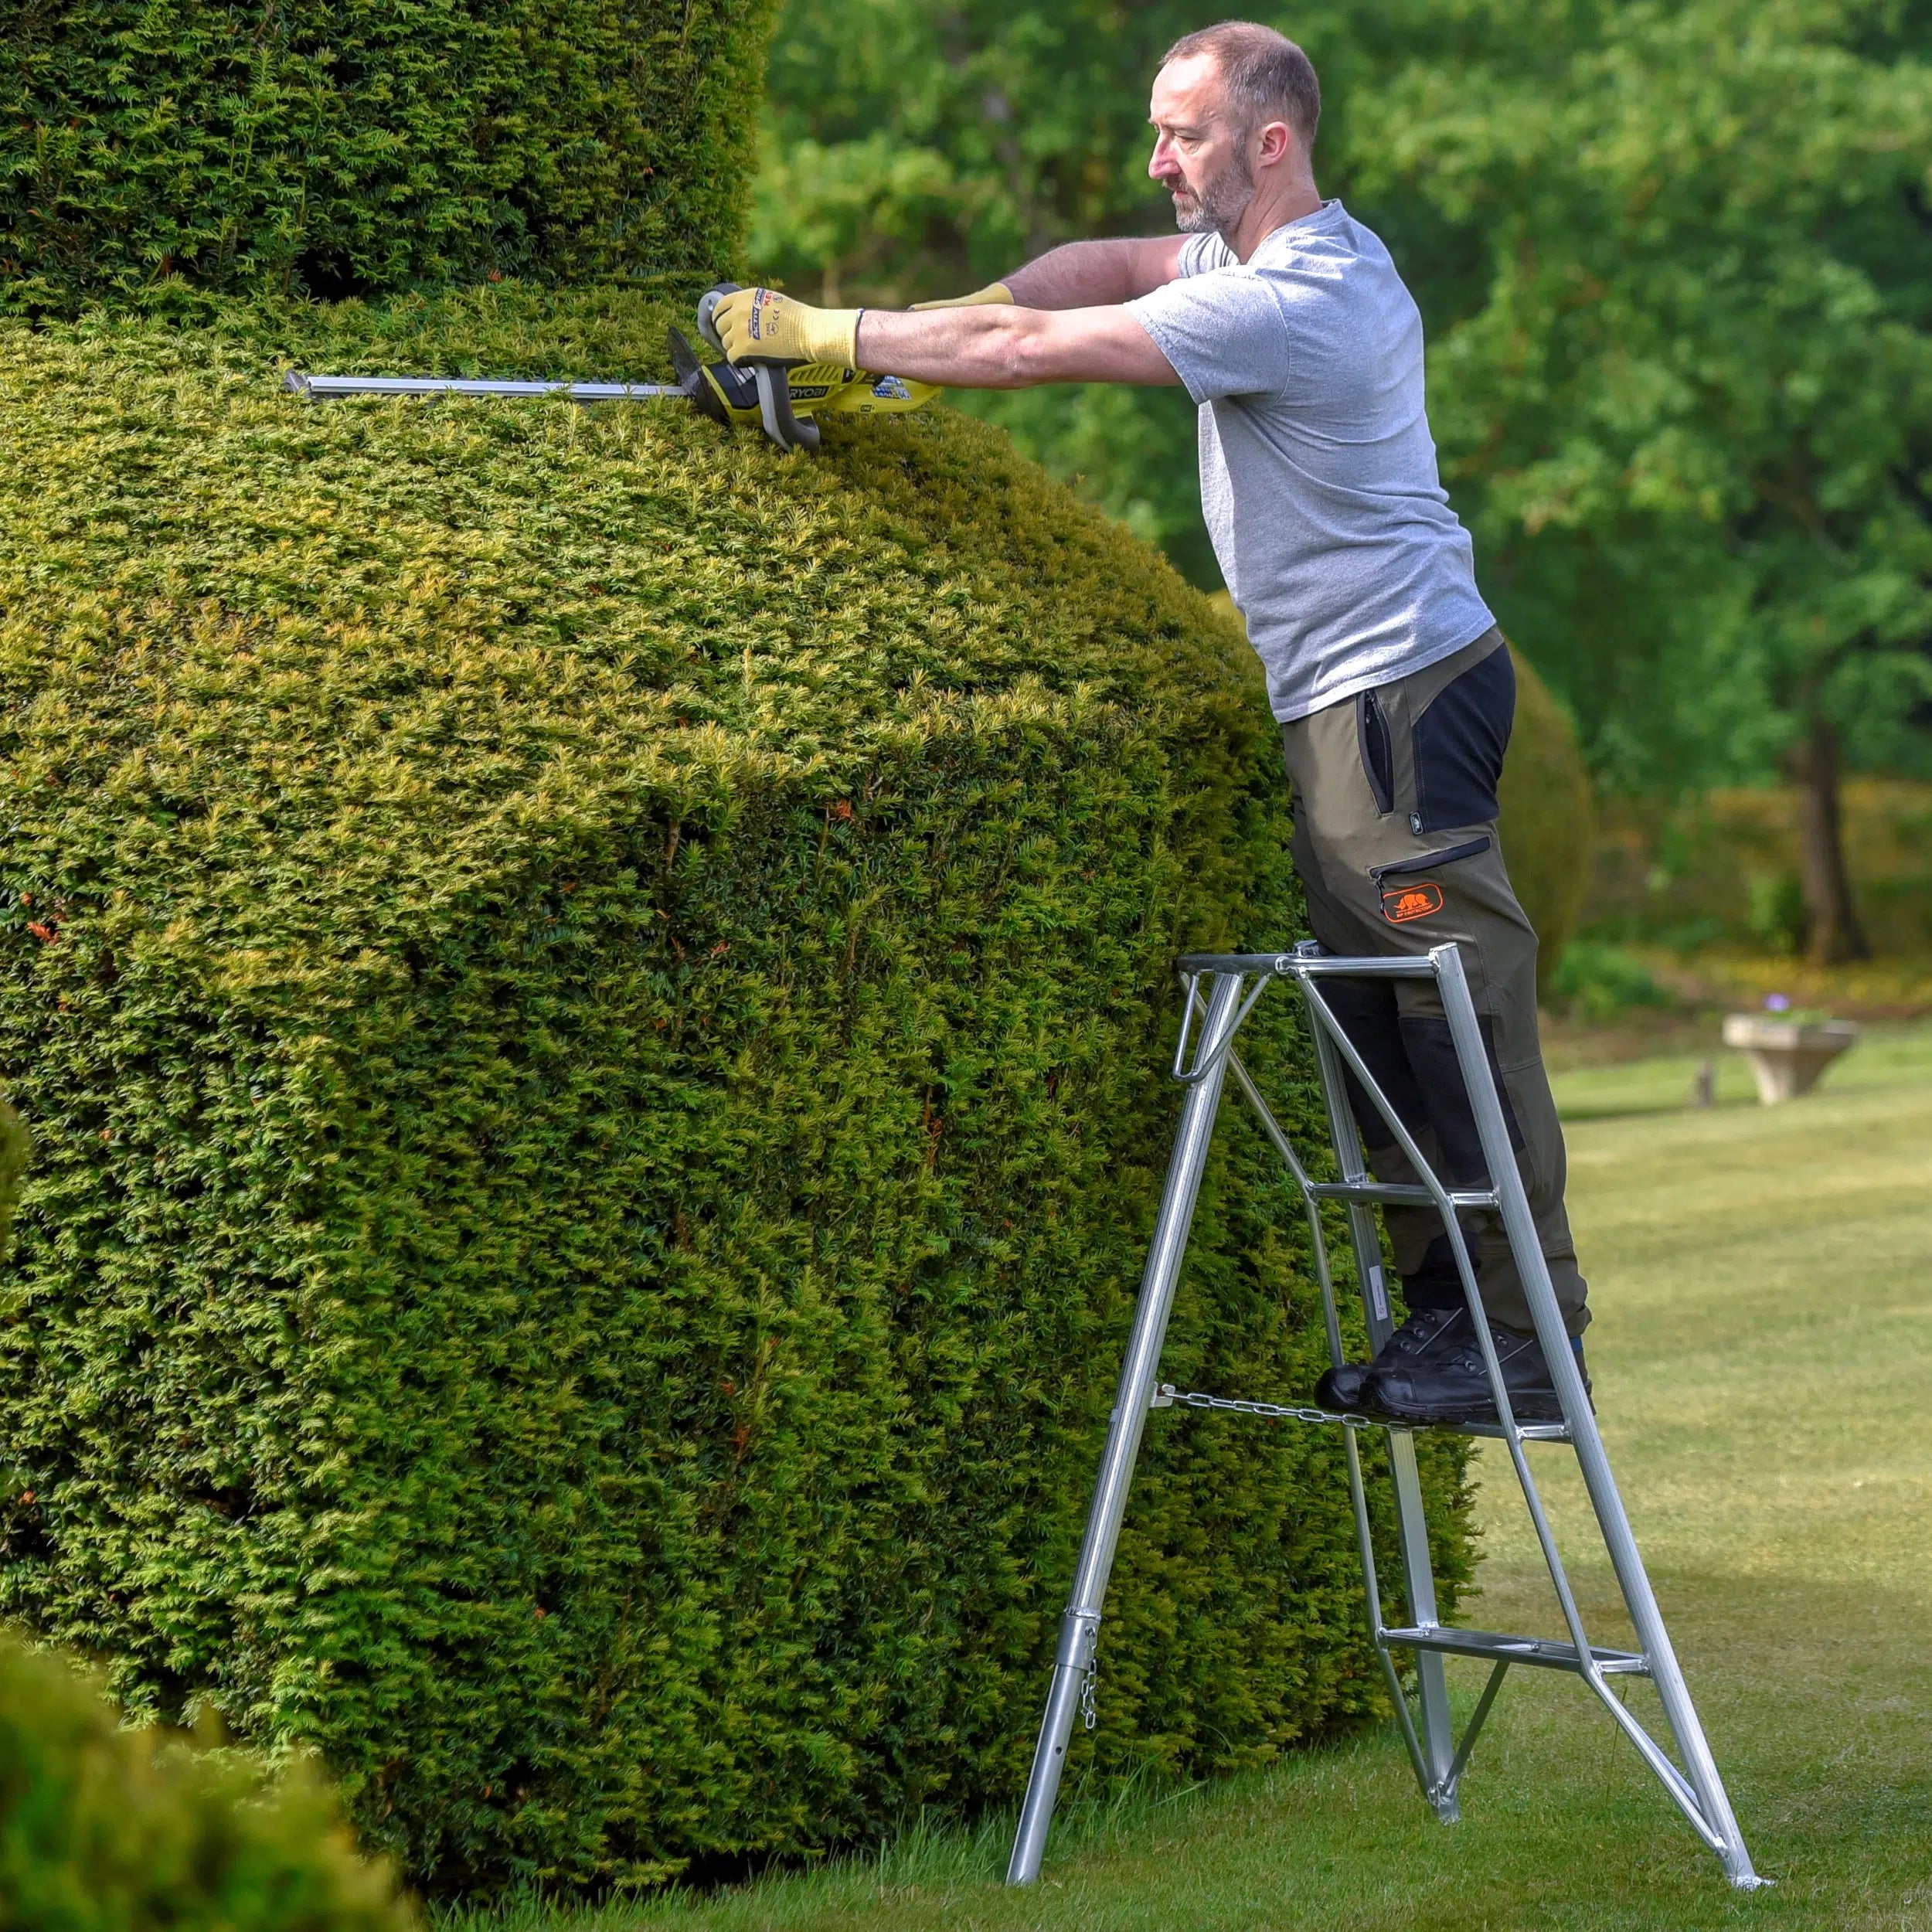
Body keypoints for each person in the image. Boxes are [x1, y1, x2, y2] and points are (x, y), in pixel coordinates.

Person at [709, 19, 1589, 1424]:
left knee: (1451, 1005)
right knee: (1380, 1011)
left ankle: (1528, 1337)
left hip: (1394, 697)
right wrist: (904, 350)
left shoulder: (1298, 299)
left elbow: (1030, 349)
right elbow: (1080, 278)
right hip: (1351, 696)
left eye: (1181, 134)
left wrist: (833, 334)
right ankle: (1456, 1321)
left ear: (1271, 141)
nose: (1157, 159)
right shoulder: (1229, 260)